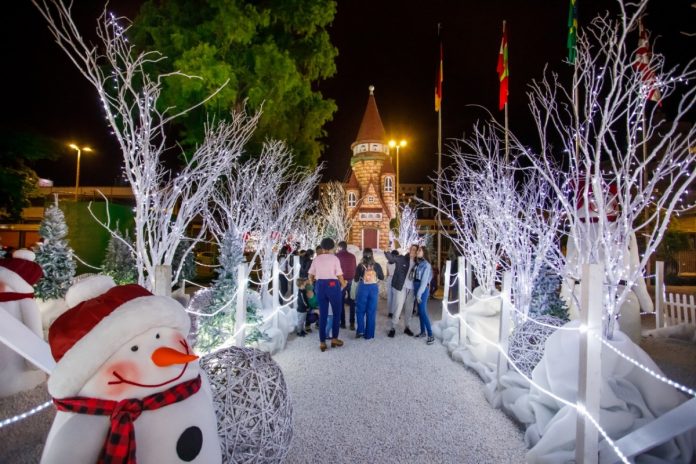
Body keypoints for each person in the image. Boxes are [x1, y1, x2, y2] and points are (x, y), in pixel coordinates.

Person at [308, 238, 347, 352]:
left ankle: (322, 342)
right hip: (332, 285)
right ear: (332, 247)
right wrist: (344, 284)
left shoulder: (316, 259)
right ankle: (334, 338)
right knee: (336, 313)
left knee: (323, 314)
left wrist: (314, 285)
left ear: (322, 246)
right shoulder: (335, 258)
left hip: (320, 285)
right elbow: (339, 275)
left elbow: (310, 275)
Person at [385, 244, 418, 338]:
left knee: (409, 309)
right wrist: (386, 252)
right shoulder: (402, 258)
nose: (413, 251)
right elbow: (391, 259)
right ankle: (393, 328)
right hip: (401, 287)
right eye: (412, 249)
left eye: (415, 250)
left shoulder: (418, 262)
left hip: (411, 289)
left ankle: (407, 327)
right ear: (409, 249)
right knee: (398, 307)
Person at [353, 248, 385, 340]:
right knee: (371, 312)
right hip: (373, 288)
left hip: (363, 288)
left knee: (360, 310)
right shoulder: (377, 265)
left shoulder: (360, 266)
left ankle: (360, 331)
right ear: (372, 255)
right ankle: (369, 334)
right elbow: (382, 277)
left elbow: (355, 279)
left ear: (363, 255)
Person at [413, 246, 435, 345]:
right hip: (417, 287)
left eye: (419, 250)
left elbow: (424, 281)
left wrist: (418, 294)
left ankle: (430, 334)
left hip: (422, 289)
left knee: (423, 311)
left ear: (424, 252)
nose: (417, 252)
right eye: (418, 250)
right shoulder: (419, 263)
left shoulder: (426, 265)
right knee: (420, 312)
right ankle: (422, 332)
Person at [335, 241, 357, 330]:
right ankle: (352, 323)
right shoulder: (352, 256)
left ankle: (342, 322)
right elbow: (354, 267)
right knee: (352, 302)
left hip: (341, 281)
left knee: (340, 302)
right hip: (351, 280)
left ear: (340, 247)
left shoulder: (337, 256)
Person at [385, 250, 398, 318]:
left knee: (390, 297)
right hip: (395, 279)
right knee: (395, 297)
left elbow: (387, 273)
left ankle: (390, 312)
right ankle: (394, 313)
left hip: (389, 279)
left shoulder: (388, 263)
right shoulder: (397, 263)